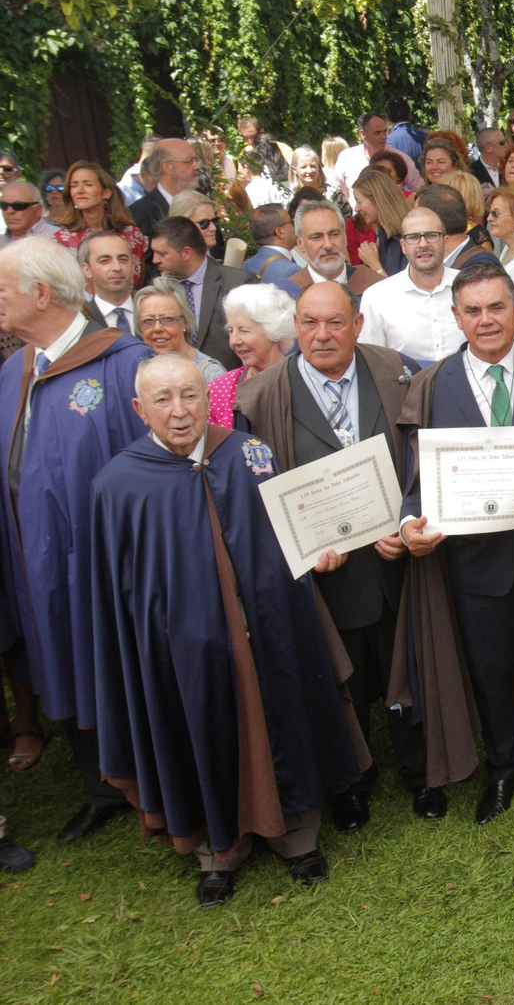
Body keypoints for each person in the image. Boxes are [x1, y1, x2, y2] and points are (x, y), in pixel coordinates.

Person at [92, 354, 362, 908]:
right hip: (182, 651)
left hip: (266, 632)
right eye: (163, 400)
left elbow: (289, 534)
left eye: (190, 395)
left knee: (281, 716)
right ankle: (219, 849)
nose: (180, 410)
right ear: (140, 409)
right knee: (201, 730)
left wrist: (321, 550)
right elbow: (116, 592)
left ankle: (296, 836)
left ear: (207, 396)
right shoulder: (118, 484)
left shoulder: (247, 453)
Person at [231, 280, 438, 824]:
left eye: (335, 322)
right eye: (309, 323)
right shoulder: (259, 399)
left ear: (358, 325)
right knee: (339, 677)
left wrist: (406, 522)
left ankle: (421, 774)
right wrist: (300, 549)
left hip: (397, 562)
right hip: (327, 574)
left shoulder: (396, 373)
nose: (321, 336)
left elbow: (423, 461)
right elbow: (253, 499)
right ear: (294, 327)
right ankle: (351, 781)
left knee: (406, 667)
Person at [397, 262, 514, 818]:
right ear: (456, 317)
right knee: (490, 670)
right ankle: (504, 768)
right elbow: (413, 483)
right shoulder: (430, 386)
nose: (486, 320)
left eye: (496, 307)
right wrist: (409, 526)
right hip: (474, 563)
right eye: (472, 311)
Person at [0, 237, 151, 841]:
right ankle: (99, 787)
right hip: (32, 556)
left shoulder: (120, 364)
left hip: (106, 559)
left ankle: (151, 779)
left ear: (41, 293)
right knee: (59, 653)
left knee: (117, 659)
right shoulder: (15, 369)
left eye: (5, 287)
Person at [357, 207, 464, 366]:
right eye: (413, 237)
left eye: (431, 235)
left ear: (446, 242)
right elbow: (372, 363)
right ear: (403, 246)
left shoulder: (469, 286)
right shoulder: (376, 297)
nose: (423, 244)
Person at [149, 216, 250, 369]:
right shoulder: (159, 291)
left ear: (186, 253)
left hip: (228, 384)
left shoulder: (237, 284)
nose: (155, 260)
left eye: (162, 254)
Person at [207, 282, 293, 425]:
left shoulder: (304, 380)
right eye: (230, 331)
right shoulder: (221, 388)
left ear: (274, 330)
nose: (234, 341)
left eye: (244, 330)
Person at [48, 163, 147, 282]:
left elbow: (138, 281)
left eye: (88, 184)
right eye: (74, 186)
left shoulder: (131, 234)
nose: (79, 191)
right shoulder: (60, 241)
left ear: (106, 193)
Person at [134, 278, 225, 384]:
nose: (157, 328)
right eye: (148, 321)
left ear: (185, 322)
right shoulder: (140, 370)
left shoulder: (210, 374)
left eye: (168, 319)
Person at [287, 200, 383, 297]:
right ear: (300, 243)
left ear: (345, 237)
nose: (328, 245)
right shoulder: (287, 294)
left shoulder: (374, 286)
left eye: (334, 234)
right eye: (316, 237)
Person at [331, 113, 421, 198]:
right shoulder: (347, 157)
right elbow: (333, 189)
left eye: (384, 132)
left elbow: (420, 189)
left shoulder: (400, 158)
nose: (383, 137)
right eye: (377, 133)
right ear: (362, 134)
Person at [128, 139, 203, 237]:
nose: (197, 166)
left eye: (196, 160)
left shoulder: (202, 202)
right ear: (167, 167)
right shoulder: (139, 214)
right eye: (189, 161)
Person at [349, 167, 410, 278]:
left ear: (377, 201)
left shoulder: (410, 238)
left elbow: (400, 292)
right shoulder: (381, 235)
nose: (357, 208)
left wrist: (375, 265)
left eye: (359, 201)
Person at [79, 229, 140, 337]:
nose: (117, 267)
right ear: (87, 269)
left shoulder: (152, 310)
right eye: (105, 261)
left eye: (123, 259)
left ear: (133, 266)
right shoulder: (80, 320)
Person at [241, 204, 301, 296]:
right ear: (280, 232)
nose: (295, 227)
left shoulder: (247, 264)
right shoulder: (291, 270)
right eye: (291, 222)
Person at [0, 182, 58, 249]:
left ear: (38, 210)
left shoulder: (61, 240)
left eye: (18, 206)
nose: (9, 211)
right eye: (4, 206)